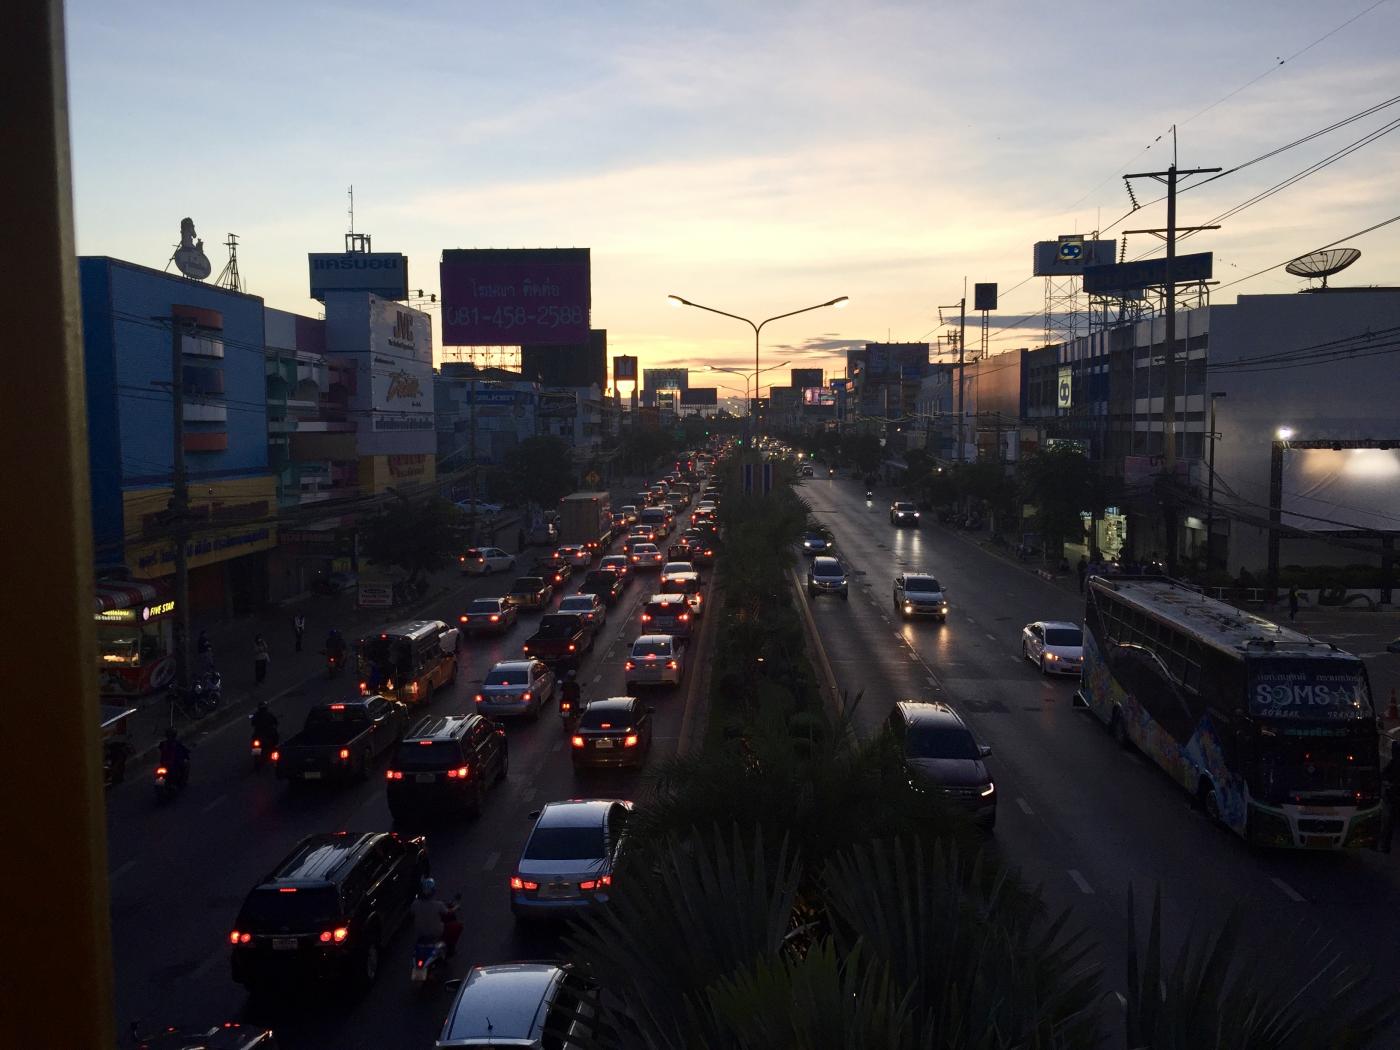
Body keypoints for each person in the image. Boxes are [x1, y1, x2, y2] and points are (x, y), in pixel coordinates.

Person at [1379, 740, 1400, 854]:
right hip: (1393, 796)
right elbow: (1384, 774)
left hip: (1393, 796)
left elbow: (1384, 774)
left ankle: (1386, 846)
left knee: (1389, 823)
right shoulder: (1394, 762)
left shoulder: (1395, 762)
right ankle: (1385, 846)